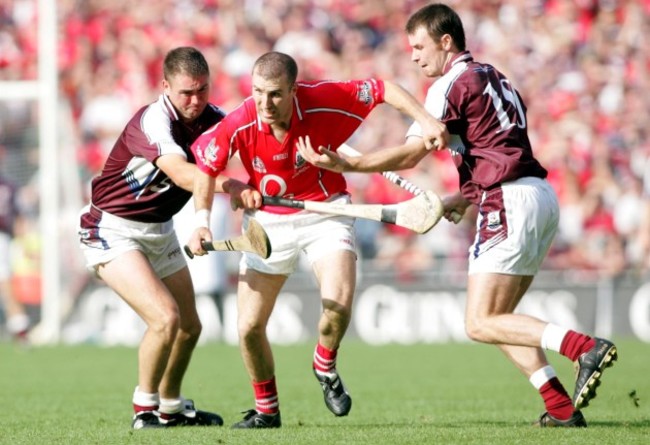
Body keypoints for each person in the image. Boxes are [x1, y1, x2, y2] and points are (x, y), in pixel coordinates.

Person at [296, 3, 617, 428]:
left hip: (508, 201)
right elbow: (494, 145)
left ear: (446, 42)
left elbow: (413, 152)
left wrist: (348, 166)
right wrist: (463, 196)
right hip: (538, 196)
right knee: (501, 322)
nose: (413, 56)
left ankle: (582, 347)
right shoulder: (493, 75)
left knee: (481, 322)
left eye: (419, 46)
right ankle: (560, 407)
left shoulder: (449, 84)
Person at [187, 51, 448, 428]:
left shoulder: (324, 100)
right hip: (268, 223)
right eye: (258, 92)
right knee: (247, 327)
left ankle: (324, 363)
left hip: (326, 212)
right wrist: (202, 220)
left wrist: (426, 120)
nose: (265, 103)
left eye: (275, 94)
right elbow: (206, 170)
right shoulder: (240, 121)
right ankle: (267, 410)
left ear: (294, 89)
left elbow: (383, 88)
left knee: (338, 306)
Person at [78, 46, 254, 429]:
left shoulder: (215, 119)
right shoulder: (153, 120)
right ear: (165, 87)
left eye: (202, 90)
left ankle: (170, 407)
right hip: (113, 229)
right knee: (164, 318)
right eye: (186, 92)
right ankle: (144, 411)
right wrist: (235, 186)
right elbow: (183, 174)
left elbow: (255, 147)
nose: (195, 100)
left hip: (159, 230)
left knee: (190, 326)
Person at [0, 175, 31, 341]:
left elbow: (20, 217)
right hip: (3, 238)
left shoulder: (9, 185)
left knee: (5, 284)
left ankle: (20, 327)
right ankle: (20, 327)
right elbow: (20, 215)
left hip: (2, 237)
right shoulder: (9, 185)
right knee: (5, 283)